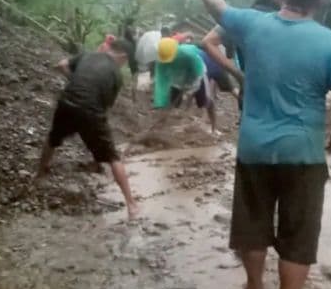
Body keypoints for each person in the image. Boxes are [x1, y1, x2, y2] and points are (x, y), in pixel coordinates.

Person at [188, 0, 331, 289]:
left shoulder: (252, 24)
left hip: (253, 149)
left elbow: (218, 8)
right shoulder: (329, 41)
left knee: (252, 225)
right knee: (299, 233)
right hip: (303, 153)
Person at [35, 39, 139, 218]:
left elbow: (61, 65)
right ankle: (131, 204)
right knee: (113, 156)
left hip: (66, 101)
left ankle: (40, 174)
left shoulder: (88, 55)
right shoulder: (115, 74)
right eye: (125, 62)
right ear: (123, 56)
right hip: (90, 109)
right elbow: (105, 108)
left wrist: (74, 80)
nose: (123, 65)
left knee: (53, 138)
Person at [201, 0, 289, 110]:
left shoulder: (246, 18)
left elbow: (208, 41)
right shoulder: (252, 18)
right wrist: (238, 74)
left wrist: (240, 76)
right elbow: (208, 42)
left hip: (253, 95)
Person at [152, 37, 217, 133]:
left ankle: (213, 128)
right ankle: (159, 127)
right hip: (178, 77)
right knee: (169, 102)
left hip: (198, 74)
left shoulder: (188, 54)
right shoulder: (161, 59)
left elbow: (199, 72)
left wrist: (191, 88)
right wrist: (160, 102)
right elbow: (161, 82)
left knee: (206, 101)